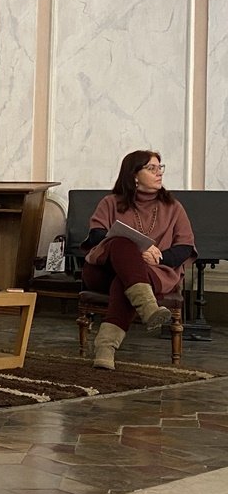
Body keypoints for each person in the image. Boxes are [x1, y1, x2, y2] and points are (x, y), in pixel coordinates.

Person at [82, 150, 196, 370]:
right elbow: (96, 236)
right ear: (134, 175)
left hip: (154, 270)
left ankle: (105, 347)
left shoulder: (173, 207)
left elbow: (185, 247)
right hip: (104, 271)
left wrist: (159, 256)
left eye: (160, 168)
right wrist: (137, 248)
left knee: (124, 281)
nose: (159, 173)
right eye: (152, 168)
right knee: (122, 243)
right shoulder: (110, 202)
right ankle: (148, 307)